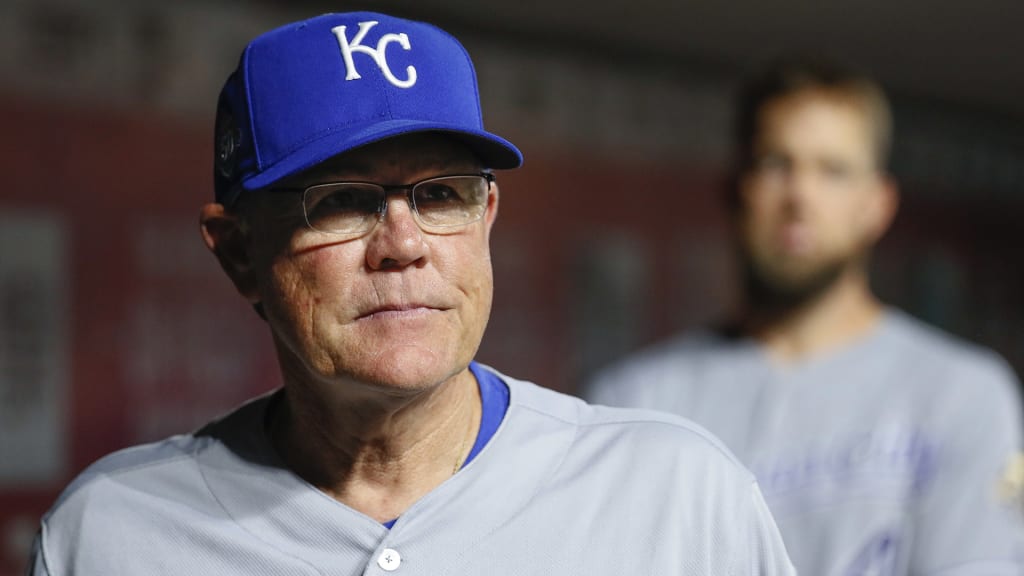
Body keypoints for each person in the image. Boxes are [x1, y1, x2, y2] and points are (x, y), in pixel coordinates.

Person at [27, 12, 795, 575]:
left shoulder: (675, 493)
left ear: (487, 217)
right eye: (340, 201)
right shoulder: (113, 533)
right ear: (239, 253)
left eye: (441, 194)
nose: (402, 244)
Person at [584, 59, 1024, 575]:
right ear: (735, 189)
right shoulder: (635, 402)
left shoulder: (963, 394)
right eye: (776, 164)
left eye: (832, 170)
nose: (799, 196)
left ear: (877, 205)